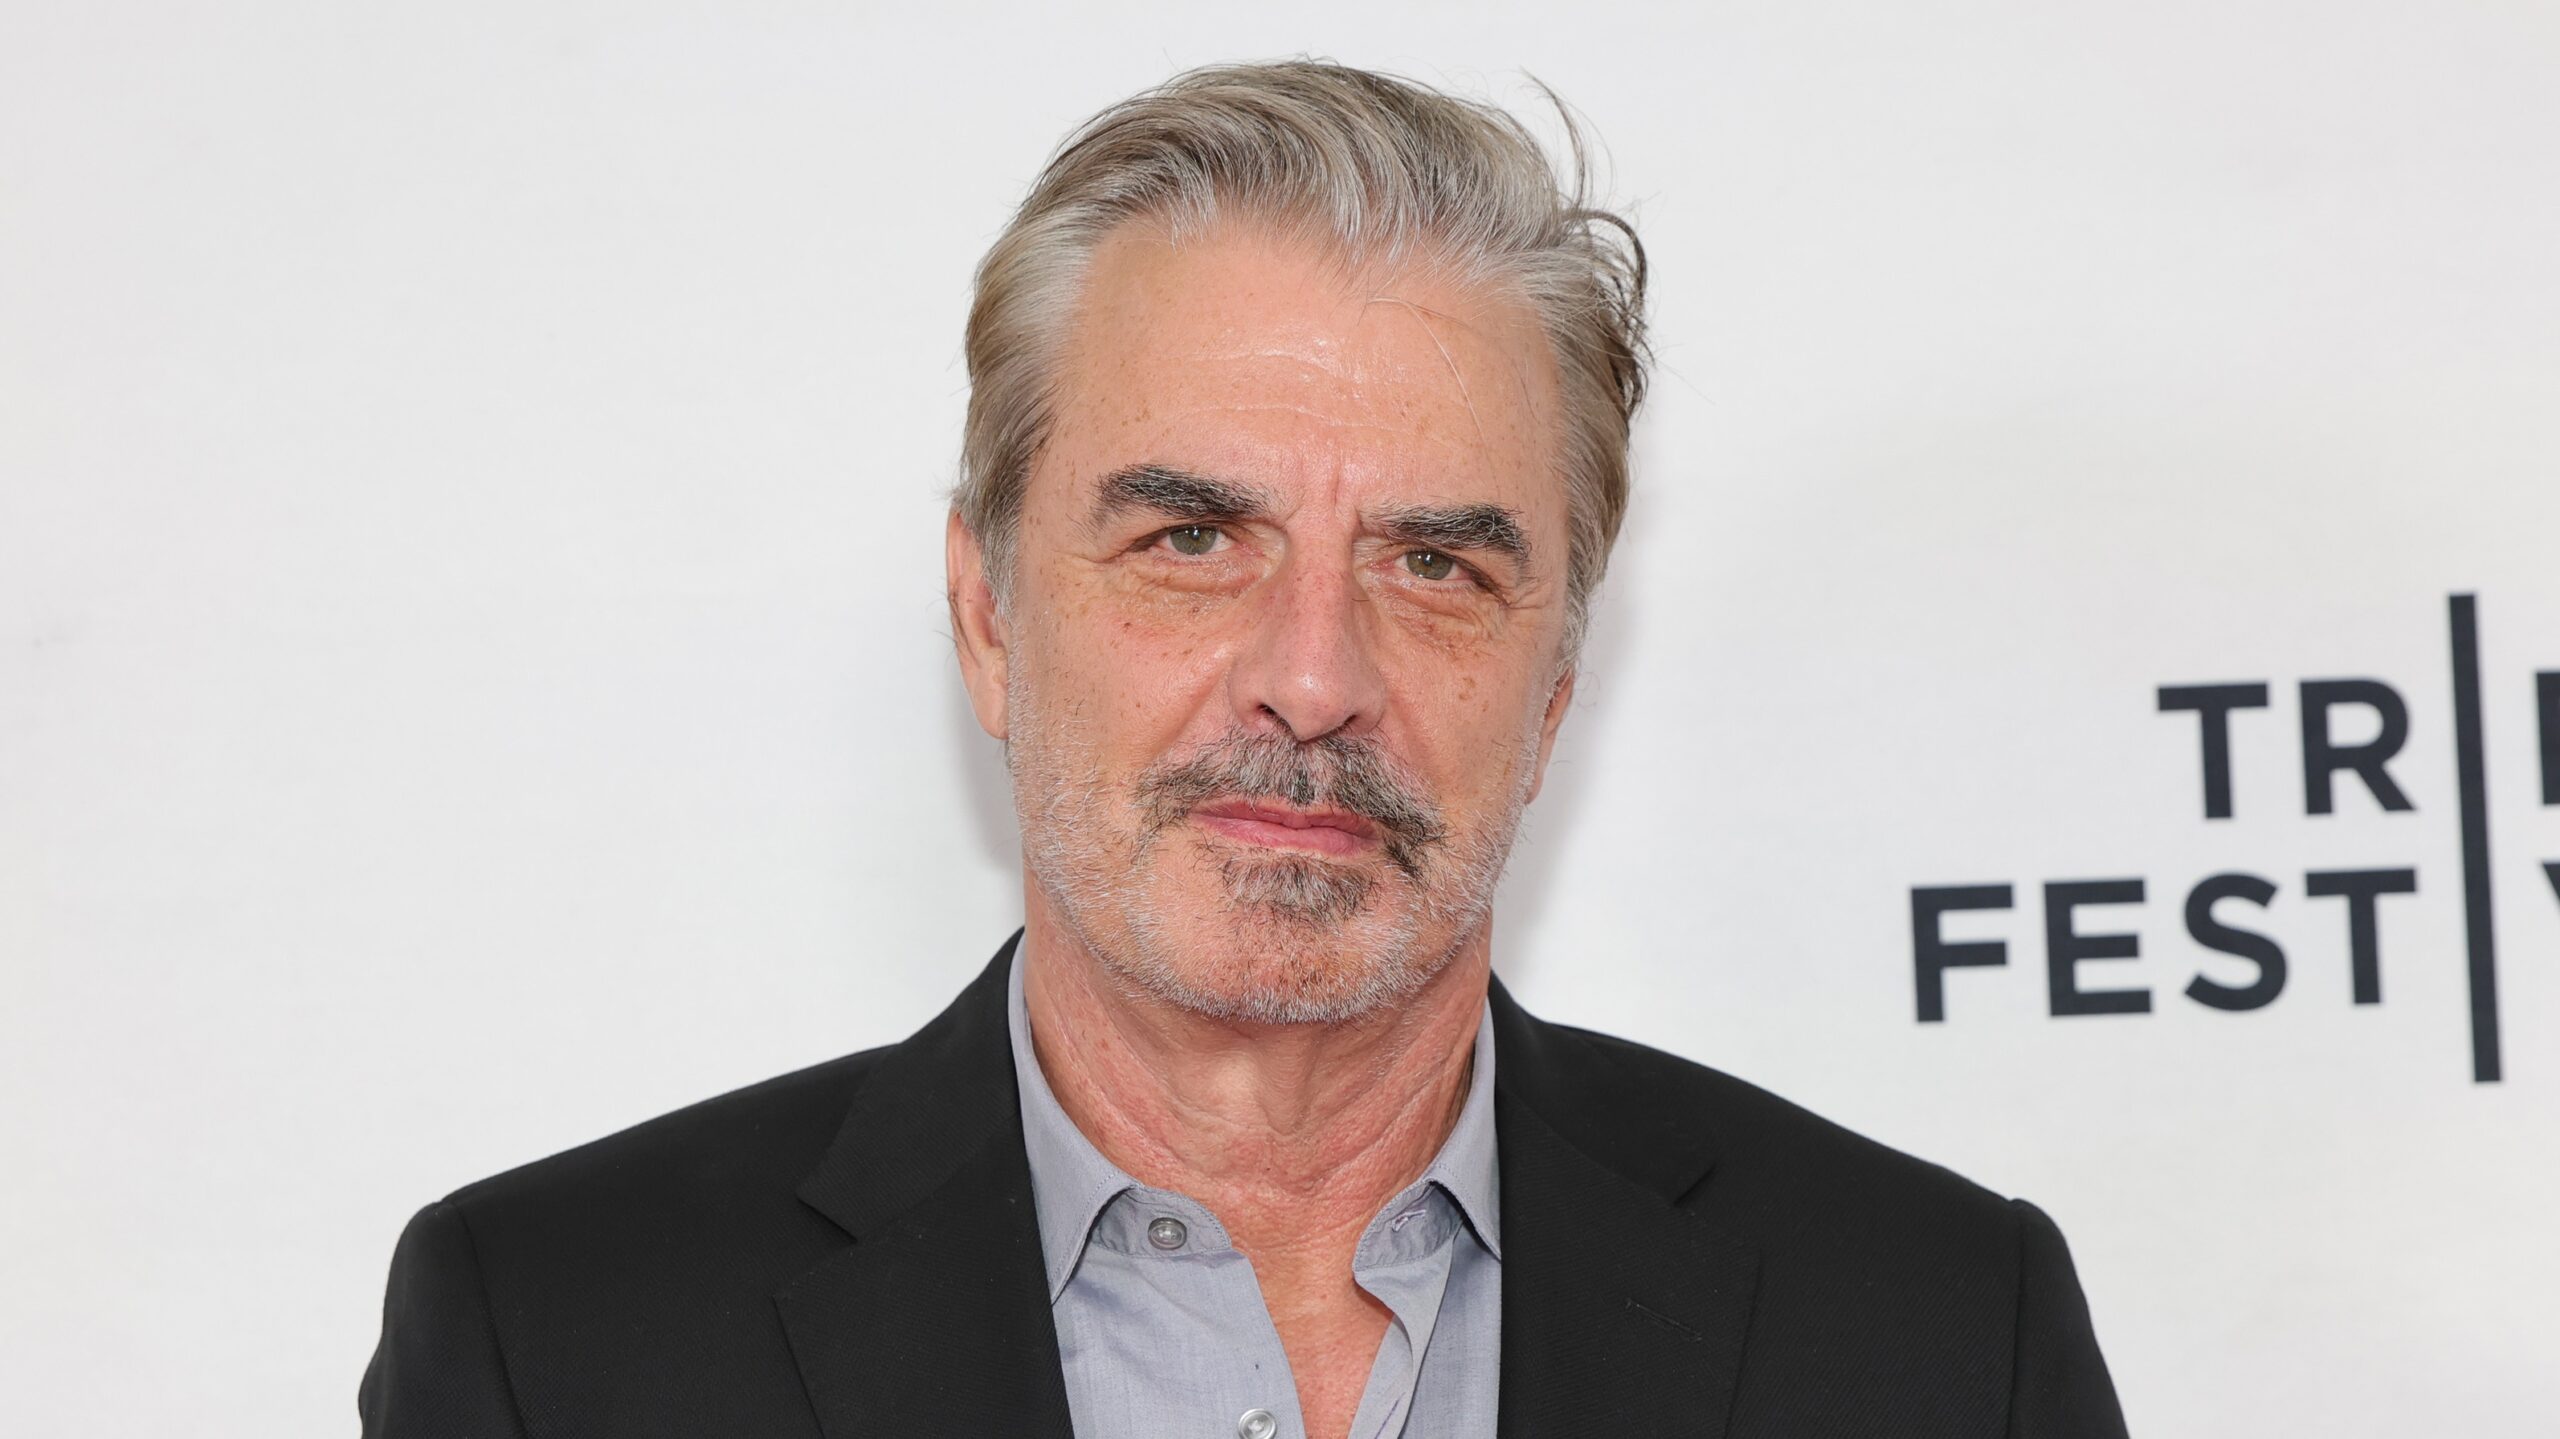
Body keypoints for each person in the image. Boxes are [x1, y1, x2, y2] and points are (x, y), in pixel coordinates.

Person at [360, 60, 2128, 1438]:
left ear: (1556, 688)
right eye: (1192, 539)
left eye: (1435, 567)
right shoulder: (563, 1344)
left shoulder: (1936, 1338)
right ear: (987, 616)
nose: (1312, 678)